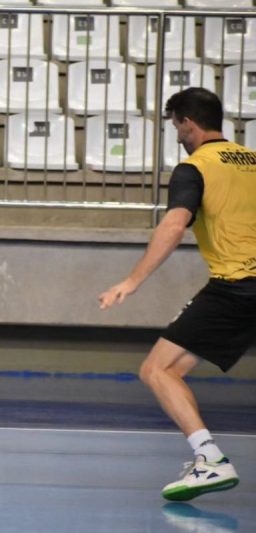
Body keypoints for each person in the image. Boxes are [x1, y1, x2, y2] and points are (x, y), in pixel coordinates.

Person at [99, 87, 256, 501]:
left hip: (238, 286)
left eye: (175, 126)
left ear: (188, 122)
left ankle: (210, 460)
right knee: (174, 368)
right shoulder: (254, 162)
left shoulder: (196, 167)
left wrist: (131, 281)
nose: (177, 134)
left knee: (157, 370)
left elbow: (173, 226)